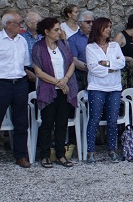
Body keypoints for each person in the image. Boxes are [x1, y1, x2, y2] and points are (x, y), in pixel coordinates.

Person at [31, 17, 78, 168]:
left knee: (62, 123)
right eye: (56, 30)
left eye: (59, 29)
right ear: (46, 32)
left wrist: (65, 79)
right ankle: (44, 154)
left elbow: (71, 63)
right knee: (47, 123)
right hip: (48, 90)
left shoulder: (63, 45)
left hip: (64, 90)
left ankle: (60, 154)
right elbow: (38, 71)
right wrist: (58, 82)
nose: (60, 32)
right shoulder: (38, 47)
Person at [85, 17, 125, 163]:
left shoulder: (115, 46)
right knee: (94, 119)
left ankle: (112, 150)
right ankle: (90, 151)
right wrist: (111, 69)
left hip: (114, 87)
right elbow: (93, 68)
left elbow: (122, 63)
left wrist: (106, 63)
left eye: (110, 26)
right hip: (97, 87)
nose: (109, 29)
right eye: (106, 27)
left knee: (112, 120)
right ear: (98, 29)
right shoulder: (90, 47)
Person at [0, 12, 33, 167]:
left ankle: (20, 155)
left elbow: (25, 63)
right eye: (19, 23)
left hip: (19, 83)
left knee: (21, 121)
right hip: (2, 84)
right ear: (8, 24)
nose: (22, 26)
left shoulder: (22, 41)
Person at [113, 14, 133, 89]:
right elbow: (112, 55)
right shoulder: (120, 36)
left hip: (130, 72)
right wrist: (128, 59)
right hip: (121, 72)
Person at [68, 10, 94, 90]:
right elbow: (74, 60)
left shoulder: (98, 38)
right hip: (80, 77)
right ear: (80, 23)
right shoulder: (72, 40)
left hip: (97, 77)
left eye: (93, 22)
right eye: (88, 22)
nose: (91, 24)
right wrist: (92, 68)